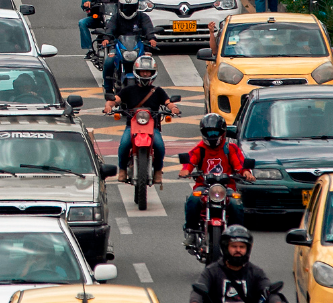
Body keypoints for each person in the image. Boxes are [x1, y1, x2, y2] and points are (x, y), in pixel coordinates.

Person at [179, 114, 254, 246]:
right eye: (209, 132)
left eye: (215, 132)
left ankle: (237, 234)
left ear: (223, 132)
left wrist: (246, 172)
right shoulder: (200, 149)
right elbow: (190, 161)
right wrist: (186, 170)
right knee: (193, 200)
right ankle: (191, 232)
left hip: (227, 188)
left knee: (236, 203)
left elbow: (240, 165)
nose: (212, 135)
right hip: (204, 187)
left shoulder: (230, 148)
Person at [103, 56, 179, 182]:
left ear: (153, 73)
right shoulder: (128, 90)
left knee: (159, 146)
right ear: (137, 72)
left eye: (148, 71)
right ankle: (122, 170)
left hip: (152, 127)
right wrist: (108, 106)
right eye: (142, 71)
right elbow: (115, 100)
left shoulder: (158, 91)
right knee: (124, 145)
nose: (145, 74)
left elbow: (168, 102)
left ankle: (158, 171)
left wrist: (173, 108)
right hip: (132, 126)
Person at [189, 226, 284, 303]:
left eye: (242, 247)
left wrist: (276, 301)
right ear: (225, 247)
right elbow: (198, 290)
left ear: (248, 249)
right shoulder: (211, 271)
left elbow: (268, 290)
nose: (238, 250)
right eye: (234, 246)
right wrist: (195, 301)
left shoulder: (256, 272)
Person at [99, 0, 157, 95]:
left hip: (138, 46)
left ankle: (148, 86)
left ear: (136, 6)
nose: (128, 10)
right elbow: (110, 28)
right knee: (108, 62)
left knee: (149, 63)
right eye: (125, 7)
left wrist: (151, 38)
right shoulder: (116, 17)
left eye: (131, 7)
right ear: (119, 6)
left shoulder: (142, 16)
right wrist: (106, 38)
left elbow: (148, 28)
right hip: (118, 45)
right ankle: (108, 89)